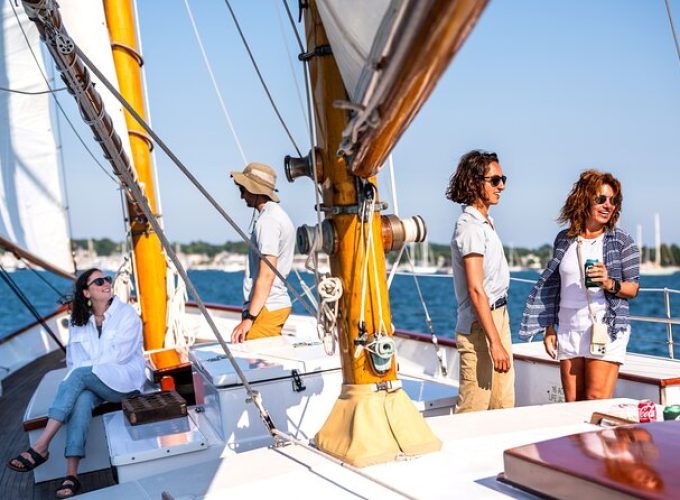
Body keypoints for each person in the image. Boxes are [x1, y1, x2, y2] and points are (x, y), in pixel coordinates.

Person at [6, 268, 144, 498]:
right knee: (81, 399)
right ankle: (71, 475)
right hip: (95, 381)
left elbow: (116, 359)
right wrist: (84, 373)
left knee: (79, 376)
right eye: (99, 281)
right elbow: (73, 360)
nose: (106, 283)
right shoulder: (78, 321)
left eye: (107, 279)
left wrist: (84, 372)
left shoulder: (127, 315)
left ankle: (40, 446)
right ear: (86, 292)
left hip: (123, 382)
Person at [520, 169, 640, 401]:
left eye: (613, 201)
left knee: (595, 401)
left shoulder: (622, 241)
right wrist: (549, 328)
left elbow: (633, 288)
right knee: (573, 405)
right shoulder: (564, 239)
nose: (608, 205)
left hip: (605, 329)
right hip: (568, 329)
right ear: (584, 199)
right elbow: (554, 288)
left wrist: (608, 282)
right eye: (601, 199)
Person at [446, 150, 514, 413]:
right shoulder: (471, 227)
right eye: (495, 180)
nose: (502, 186)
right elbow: (475, 289)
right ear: (475, 183)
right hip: (480, 326)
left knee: (502, 404)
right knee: (474, 407)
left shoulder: (485, 222)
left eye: (502, 179)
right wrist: (494, 342)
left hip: (498, 316)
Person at [230, 162, 295, 343]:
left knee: (255, 364)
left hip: (266, 308)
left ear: (255, 189)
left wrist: (249, 318)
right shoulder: (278, 215)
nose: (242, 196)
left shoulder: (268, 221)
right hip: (270, 306)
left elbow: (267, 274)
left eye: (243, 189)